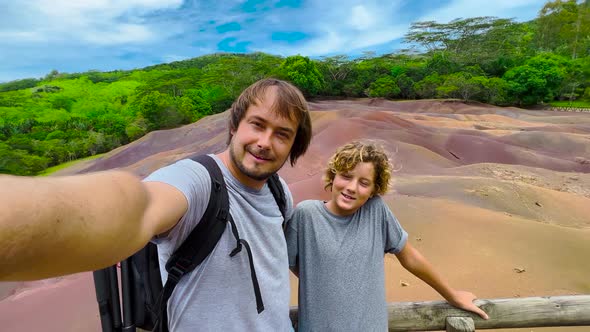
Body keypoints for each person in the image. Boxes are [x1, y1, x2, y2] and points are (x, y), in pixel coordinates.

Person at [0, 78, 312, 331]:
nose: (265, 142)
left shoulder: (278, 190)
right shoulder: (198, 181)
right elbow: (138, 208)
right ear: (235, 125)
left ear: (293, 146)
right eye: (257, 125)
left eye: (281, 134)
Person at [286, 141, 489, 331]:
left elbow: (409, 257)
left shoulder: (375, 211)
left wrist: (451, 295)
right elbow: (283, 265)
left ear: (375, 189)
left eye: (364, 183)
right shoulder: (306, 215)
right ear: (334, 176)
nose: (351, 187)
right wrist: (322, 279)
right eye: (346, 176)